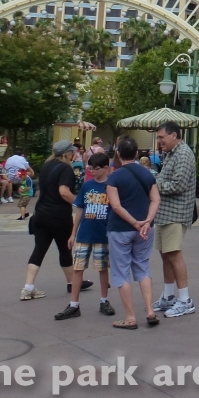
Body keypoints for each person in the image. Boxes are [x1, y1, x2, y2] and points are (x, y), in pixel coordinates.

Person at [106, 135, 160, 328]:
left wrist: (134, 222)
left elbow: (116, 206)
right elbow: (155, 199)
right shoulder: (147, 173)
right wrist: (147, 221)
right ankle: (150, 311)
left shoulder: (114, 177)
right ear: (137, 153)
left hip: (120, 229)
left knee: (121, 272)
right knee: (143, 267)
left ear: (118, 154)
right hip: (146, 229)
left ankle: (130, 317)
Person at [55, 152, 115, 320]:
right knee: (78, 268)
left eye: (94, 169)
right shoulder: (87, 186)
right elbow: (79, 209)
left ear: (105, 168)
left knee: (103, 269)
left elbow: (115, 211)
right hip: (84, 234)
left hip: (102, 235)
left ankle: (104, 300)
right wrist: (73, 233)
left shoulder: (111, 187)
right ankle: (74, 304)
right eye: (89, 168)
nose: (91, 171)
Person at [20, 141, 83, 300]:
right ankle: (72, 283)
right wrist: (78, 202)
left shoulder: (46, 166)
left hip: (41, 214)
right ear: (67, 153)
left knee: (39, 250)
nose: (73, 154)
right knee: (65, 249)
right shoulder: (66, 168)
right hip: (59, 216)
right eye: (72, 152)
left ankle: (28, 287)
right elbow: (64, 192)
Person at [151, 121, 198, 318]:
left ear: (174, 135)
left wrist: (154, 186)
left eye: (162, 137)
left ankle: (185, 300)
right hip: (165, 213)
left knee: (174, 254)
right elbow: (166, 179)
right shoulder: (172, 153)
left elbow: (178, 185)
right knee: (166, 254)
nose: (159, 141)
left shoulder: (184, 154)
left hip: (176, 213)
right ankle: (169, 296)